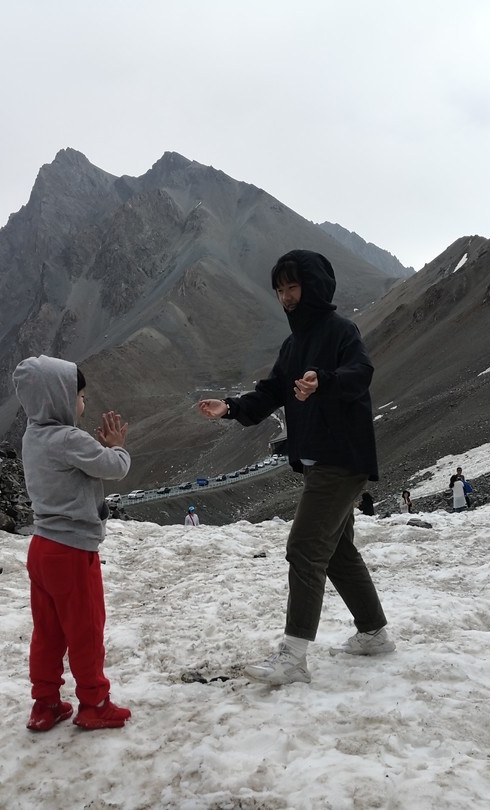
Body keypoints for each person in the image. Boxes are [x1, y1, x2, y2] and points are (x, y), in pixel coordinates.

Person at [197, 250, 394, 686]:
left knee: (304, 548)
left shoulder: (342, 331)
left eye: (293, 287)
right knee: (337, 551)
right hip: (320, 461)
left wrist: (324, 381)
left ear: (314, 286)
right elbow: (268, 394)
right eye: (280, 290)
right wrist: (229, 407)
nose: (286, 297)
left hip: (341, 459)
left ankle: (292, 657)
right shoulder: (292, 345)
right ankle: (374, 633)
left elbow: (360, 373)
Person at [12, 355, 133, 732]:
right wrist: (116, 447)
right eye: (78, 395)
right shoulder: (69, 438)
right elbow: (115, 468)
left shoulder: (32, 434)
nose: (82, 403)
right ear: (59, 396)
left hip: (41, 549)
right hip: (73, 550)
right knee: (85, 629)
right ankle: (94, 703)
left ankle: (45, 704)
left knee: (47, 632)